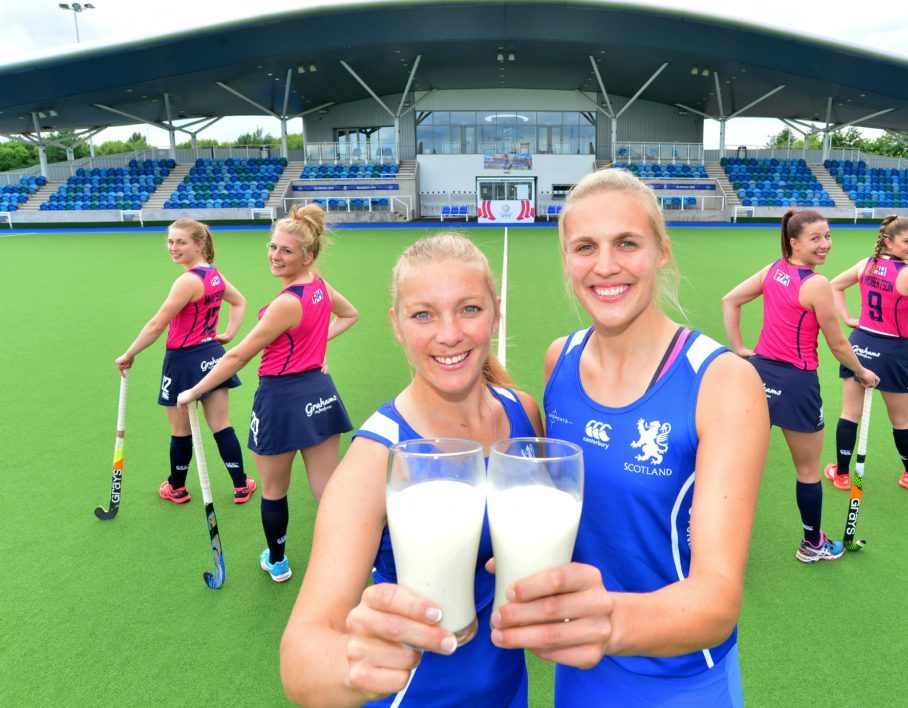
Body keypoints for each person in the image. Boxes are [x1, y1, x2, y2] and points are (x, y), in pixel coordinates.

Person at [489, 169, 769, 705]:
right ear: (567, 259)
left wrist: (605, 619)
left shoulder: (722, 381)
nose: (605, 266)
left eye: (627, 243)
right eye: (585, 247)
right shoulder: (559, 360)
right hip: (579, 668)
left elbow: (716, 601)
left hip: (679, 678)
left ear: (661, 252)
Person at [279, 233, 543, 707]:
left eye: (469, 309)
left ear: (496, 313)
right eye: (423, 314)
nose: (449, 334)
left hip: (509, 691)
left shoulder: (523, 414)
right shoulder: (376, 457)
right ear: (397, 326)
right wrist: (355, 665)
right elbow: (301, 659)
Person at [177, 204, 358, 583]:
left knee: (274, 489)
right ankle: (355, 555)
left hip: (280, 399)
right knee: (328, 488)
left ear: (308, 255)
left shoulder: (285, 304)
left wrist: (194, 389)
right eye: (273, 247)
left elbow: (240, 355)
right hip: (320, 393)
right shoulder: (320, 287)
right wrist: (316, 351)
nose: (275, 256)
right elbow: (349, 314)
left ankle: (277, 561)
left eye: (286, 251)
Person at [722, 209, 880, 565]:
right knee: (808, 471)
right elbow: (839, 343)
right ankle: (812, 544)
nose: (825, 244)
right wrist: (861, 372)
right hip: (796, 384)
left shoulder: (774, 270)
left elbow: (729, 300)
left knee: (736, 463)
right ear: (794, 242)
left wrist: (741, 349)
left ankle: (711, 533)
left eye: (827, 236)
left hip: (757, 377)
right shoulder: (816, 284)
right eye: (815, 238)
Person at [115, 218, 254, 504]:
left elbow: (157, 325)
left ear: (199, 244)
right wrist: (228, 333)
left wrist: (129, 353)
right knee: (221, 424)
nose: (173, 247)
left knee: (181, 430)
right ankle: (242, 485)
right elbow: (240, 301)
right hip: (212, 357)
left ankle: (176, 488)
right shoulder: (213, 275)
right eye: (170, 241)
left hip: (182, 361)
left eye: (181, 242)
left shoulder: (187, 281)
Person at [824, 215, 908, 490]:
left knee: (850, 413)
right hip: (892, 351)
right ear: (889, 242)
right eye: (907, 241)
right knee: (900, 419)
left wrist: (850, 318)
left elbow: (833, 285)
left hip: (859, 343)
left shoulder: (866, 264)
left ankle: (841, 473)